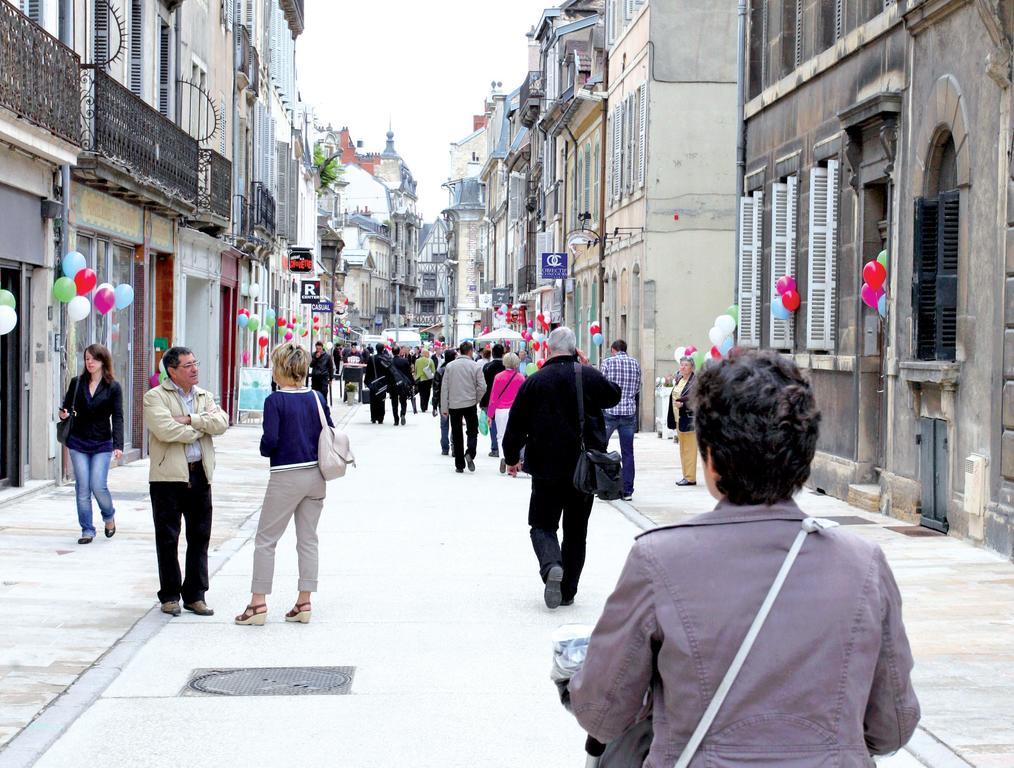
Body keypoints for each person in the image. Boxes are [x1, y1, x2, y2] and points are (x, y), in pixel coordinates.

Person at [569, 350, 920, 764]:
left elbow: (602, 714)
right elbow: (891, 728)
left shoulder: (659, 559)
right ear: (805, 457)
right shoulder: (863, 565)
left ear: (712, 460)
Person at [502, 327, 620, 608]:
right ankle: (567, 591)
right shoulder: (586, 376)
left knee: (542, 525)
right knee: (576, 531)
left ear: (548, 349)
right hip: (583, 469)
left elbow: (516, 423)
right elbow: (613, 396)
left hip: (545, 468)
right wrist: (589, 368)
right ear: (575, 349)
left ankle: (551, 565)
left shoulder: (535, 381)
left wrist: (510, 457)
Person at [235, 343, 333, 626]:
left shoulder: (275, 401)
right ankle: (304, 601)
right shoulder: (317, 397)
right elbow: (328, 430)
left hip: (286, 475)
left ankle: (258, 604)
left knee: (266, 540)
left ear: (280, 369)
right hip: (316, 475)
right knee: (308, 539)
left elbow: (270, 443)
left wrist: (266, 448)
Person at [143, 346, 229, 617]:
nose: (194, 369)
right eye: (187, 365)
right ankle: (169, 596)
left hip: (200, 473)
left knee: (200, 536)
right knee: (168, 538)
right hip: (168, 477)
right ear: (172, 371)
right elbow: (165, 429)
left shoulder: (205, 396)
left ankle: (196, 595)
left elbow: (222, 423)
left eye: (195, 363)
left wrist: (191, 419)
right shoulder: (154, 397)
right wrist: (199, 429)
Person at [59, 344, 124, 544]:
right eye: (87, 359)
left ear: (103, 361)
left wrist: (118, 444)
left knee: (98, 485)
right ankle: (87, 529)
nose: (89, 362)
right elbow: (67, 408)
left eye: (94, 359)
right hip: (78, 441)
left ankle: (108, 516)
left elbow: (118, 417)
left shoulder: (113, 387)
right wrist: (64, 414)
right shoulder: (77, 382)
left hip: (102, 442)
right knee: (82, 488)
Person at [600, 339, 641, 501]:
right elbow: (638, 386)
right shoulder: (635, 363)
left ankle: (602, 483)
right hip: (628, 411)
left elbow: (601, 385)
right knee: (628, 452)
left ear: (613, 350)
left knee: (600, 446)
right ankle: (627, 490)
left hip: (610, 410)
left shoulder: (608, 363)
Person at [440, 341, 486, 473]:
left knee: (457, 432)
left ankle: (459, 464)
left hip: (454, 404)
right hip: (470, 403)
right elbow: (482, 387)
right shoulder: (475, 366)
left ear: (459, 351)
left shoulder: (450, 366)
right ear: (470, 351)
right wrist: (476, 399)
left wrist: (444, 408)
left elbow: (445, 388)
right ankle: (470, 453)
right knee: (472, 431)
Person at [486, 352, 524, 474]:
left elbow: (493, 397)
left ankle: (503, 457)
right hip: (515, 410)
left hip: (501, 410)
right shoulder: (520, 377)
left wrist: (490, 414)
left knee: (501, 435)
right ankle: (513, 460)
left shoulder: (498, 377)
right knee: (515, 435)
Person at [668, 356, 698, 486]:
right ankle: (686, 475)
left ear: (691, 367)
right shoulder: (680, 380)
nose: (683, 367)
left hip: (690, 419)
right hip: (679, 419)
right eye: (681, 365)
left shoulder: (695, 382)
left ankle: (690, 478)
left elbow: (698, 399)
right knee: (683, 449)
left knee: (690, 450)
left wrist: (683, 405)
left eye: (686, 365)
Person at [480, 343, 506, 458]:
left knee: (492, 423)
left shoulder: (487, 367)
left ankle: (495, 448)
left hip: (489, 398)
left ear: (493, 353)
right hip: (505, 400)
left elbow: (483, 385)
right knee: (504, 424)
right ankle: (502, 447)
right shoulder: (507, 367)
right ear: (503, 353)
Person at [432, 349, 456, 454]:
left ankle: (445, 448)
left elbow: (436, 389)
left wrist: (434, 404)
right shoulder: (456, 370)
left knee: (444, 425)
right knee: (455, 425)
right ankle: (454, 446)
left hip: (443, 402)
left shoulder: (440, 371)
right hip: (456, 401)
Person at [366, 342, 391, 424]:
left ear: (376, 349)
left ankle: (373, 417)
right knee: (381, 400)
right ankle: (381, 418)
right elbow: (388, 372)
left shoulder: (372, 358)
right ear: (383, 349)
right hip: (383, 383)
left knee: (373, 400)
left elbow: (368, 371)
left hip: (373, 382)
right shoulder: (386, 358)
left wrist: (367, 382)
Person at [388, 346, 414, 426]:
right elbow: (408, 373)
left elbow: (388, 375)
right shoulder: (404, 361)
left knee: (394, 402)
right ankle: (403, 413)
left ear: (392, 352)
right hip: (403, 384)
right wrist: (412, 382)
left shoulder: (390, 361)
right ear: (399, 352)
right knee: (403, 400)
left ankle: (396, 419)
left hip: (393, 384)